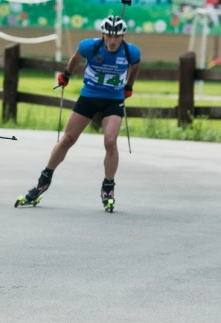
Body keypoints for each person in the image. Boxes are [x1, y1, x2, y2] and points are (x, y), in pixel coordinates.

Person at [16, 15, 141, 211]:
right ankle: (43, 180)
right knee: (68, 138)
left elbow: (135, 66)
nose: (112, 40)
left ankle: (108, 186)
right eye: (108, 35)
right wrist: (66, 75)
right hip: (89, 95)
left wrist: (129, 86)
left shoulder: (131, 52)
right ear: (103, 34)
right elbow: (75, 59)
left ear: (123, 36)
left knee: (110, 141)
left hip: (113, 99)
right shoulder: (89, 47)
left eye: (116, 36)